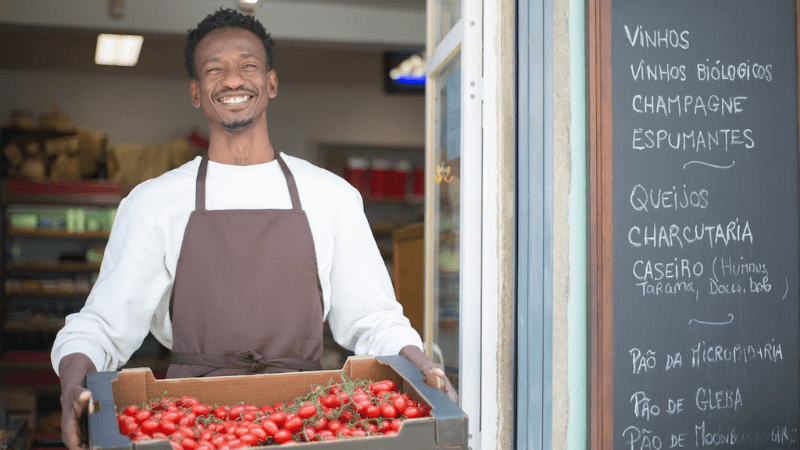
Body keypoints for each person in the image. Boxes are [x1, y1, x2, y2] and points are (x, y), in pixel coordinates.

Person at [53, 8, 455, 450]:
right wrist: (73, 381)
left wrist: (419, 365)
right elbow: (102, 325)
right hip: (188, 425)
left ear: (271, 83)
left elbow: (374, 320)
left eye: (247, 65)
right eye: (214, 69)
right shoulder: (154, 202)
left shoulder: (331, 195)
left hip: (309, 423)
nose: (232, 80)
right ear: (195, 92)